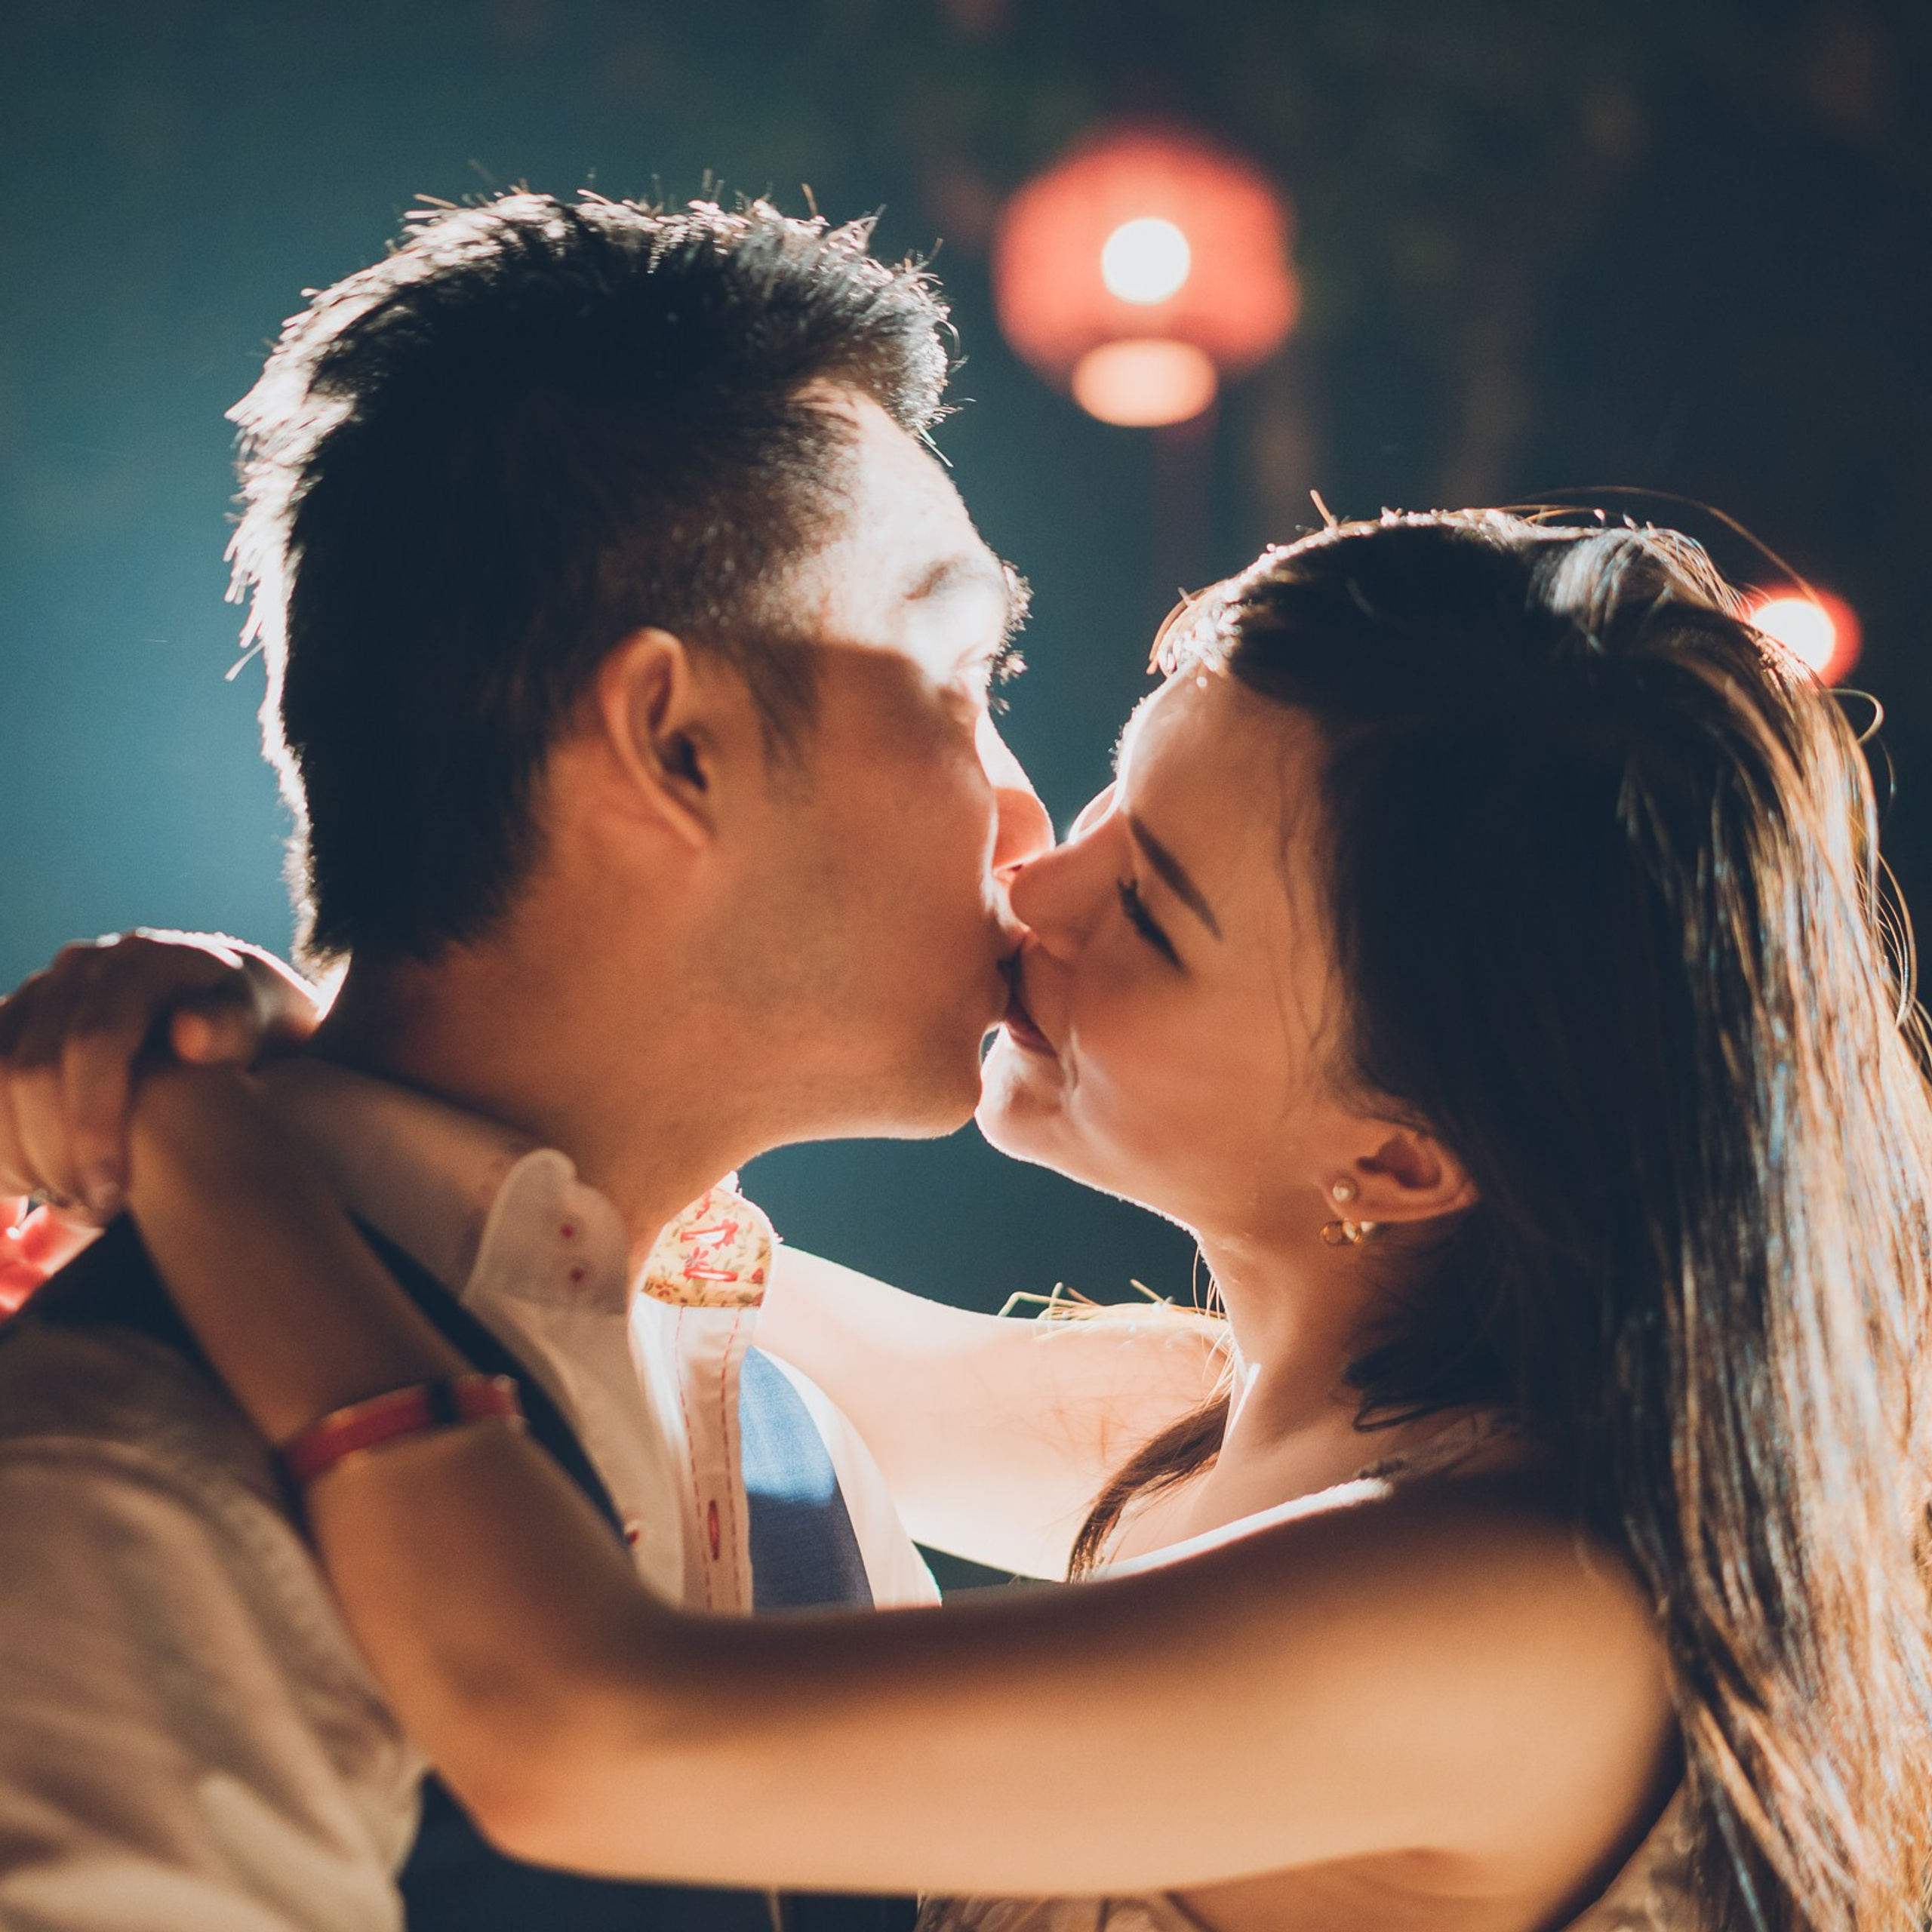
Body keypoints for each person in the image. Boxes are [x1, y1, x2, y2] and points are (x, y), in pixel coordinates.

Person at [9, 510, 1929, 1932]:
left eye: (1156, 911)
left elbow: (584, 1727)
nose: (1038, 872)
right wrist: (282, 1039)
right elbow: (585, 1243)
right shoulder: (1207, 1423)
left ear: (1409, 1154)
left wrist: (198, 1139)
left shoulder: (1507, 1616)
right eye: (1109, 791)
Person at [0, 188, 1235, 1932]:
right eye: (964, 676)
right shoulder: (131, 1477)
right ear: (674, 742)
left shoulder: (788, 1437)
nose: (1026, 814)